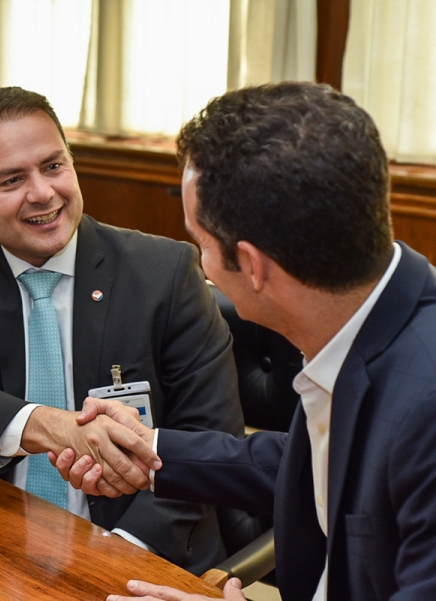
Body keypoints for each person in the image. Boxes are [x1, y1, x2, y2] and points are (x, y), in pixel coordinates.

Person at [56, 83, 436, 601]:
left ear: (253, 265)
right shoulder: (361, 319)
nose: (201, 265)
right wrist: (149, 450)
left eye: (201, 244)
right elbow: (317, 464)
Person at [0, 85, 244, 574]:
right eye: (12, 179)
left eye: (53, 166)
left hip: (140, 549)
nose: (42, 193)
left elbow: (210, 441)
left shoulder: (163, 272)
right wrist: (51, 426)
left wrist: (116, 551)